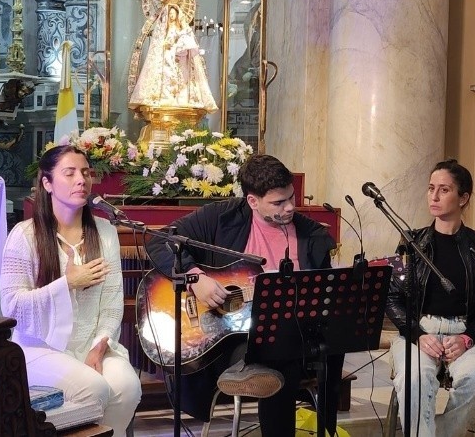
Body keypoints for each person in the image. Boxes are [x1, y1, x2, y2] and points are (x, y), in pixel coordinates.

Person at [145, 154, 342, 436]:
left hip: (291, 338)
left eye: (291, 198)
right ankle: (247, 364)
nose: (289, 208)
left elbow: (322, 296)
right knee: (277, 358)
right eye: (278, 203)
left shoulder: (312, 237)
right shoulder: (222, 217)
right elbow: (160, 241)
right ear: (252, 201)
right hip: (224, 339)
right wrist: (194, 277)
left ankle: (254, 368)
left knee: (284, 350)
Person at [0, 145, 142, 433]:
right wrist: (67, 284)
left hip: (92, 343)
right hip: (39, 346)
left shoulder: (104, 232)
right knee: (93, 389)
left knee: (127, 387)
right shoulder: (24, 235)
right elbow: (11, 306)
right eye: (70, 173)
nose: (82, 179)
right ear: (47, 183)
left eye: (86, 172)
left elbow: (112, 302)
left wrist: (99, 346)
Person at [385, 159, 475, 437]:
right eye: (431, 188)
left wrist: (467, 338)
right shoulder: (410, 242)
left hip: (464, 334)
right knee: (416, 380)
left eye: (444, 190)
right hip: (419, 332)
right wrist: (416, 334)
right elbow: (392, 299)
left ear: (464, 198)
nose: (434, 196)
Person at [129, 1, 218, 112]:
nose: (171, 15)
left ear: (177, 14)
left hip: (180, 57)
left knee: (182, 77)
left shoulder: (183, 29)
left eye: (173, 13)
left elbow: (188, 42)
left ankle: (180, 98)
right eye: (169, 13)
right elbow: (161, 43)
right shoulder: (164, 30)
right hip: (167, 56)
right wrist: (167, 44)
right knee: (167, 76)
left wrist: (180, 44)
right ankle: (166, 97)